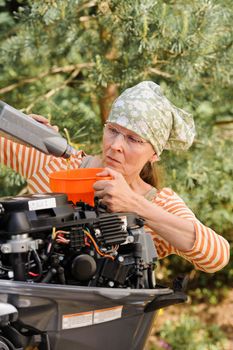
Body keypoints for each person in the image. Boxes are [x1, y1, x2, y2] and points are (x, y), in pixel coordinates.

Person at [0, 81, 230, 273]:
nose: (116, 146)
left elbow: (216, 256)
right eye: (113, 130)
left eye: (133, 139)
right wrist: (18, 128)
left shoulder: (158, 204)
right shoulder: (55, 165)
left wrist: (135, 205)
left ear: (154, 154)